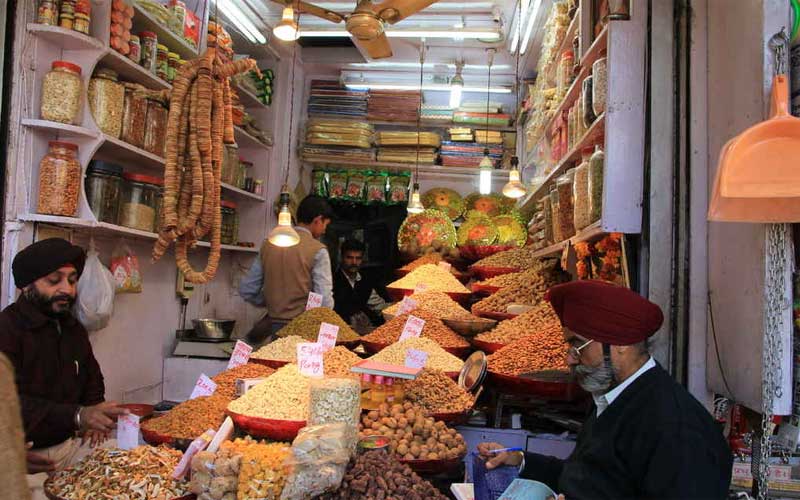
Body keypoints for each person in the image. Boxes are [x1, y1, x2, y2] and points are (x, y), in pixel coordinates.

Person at [478, 280, 733, 499]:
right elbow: (589, 478)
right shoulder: (613, 398)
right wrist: (520, 460)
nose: (570, 358)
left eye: (578, 345)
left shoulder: (675, 428)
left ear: (621, 344)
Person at [0, 238, 129, 498]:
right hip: (25, 457)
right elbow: (11, 404)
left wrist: (95, 415)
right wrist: (79, 415)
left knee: (128, 470)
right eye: (54, 280)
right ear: (26, 286)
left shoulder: (71, 327)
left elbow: (91, 375)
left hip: (69, 448)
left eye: (71, 280)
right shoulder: (7, 330)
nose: (67, 290)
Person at [240, 195, 335, 333]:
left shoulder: (268, 244)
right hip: (302, 331)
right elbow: (324, 301)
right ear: (317, 220)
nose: (324, 230)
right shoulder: (318, 250)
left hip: (272, 328)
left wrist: (274, 301)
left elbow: (247, 289)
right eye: (325, 224)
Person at [332, 239, 389, 330]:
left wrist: (396, 309)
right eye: (349, 258)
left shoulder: (365, 281)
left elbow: (378, 305)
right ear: (342, 257)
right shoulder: (332, 281)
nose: (354, 262)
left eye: (358, 258)